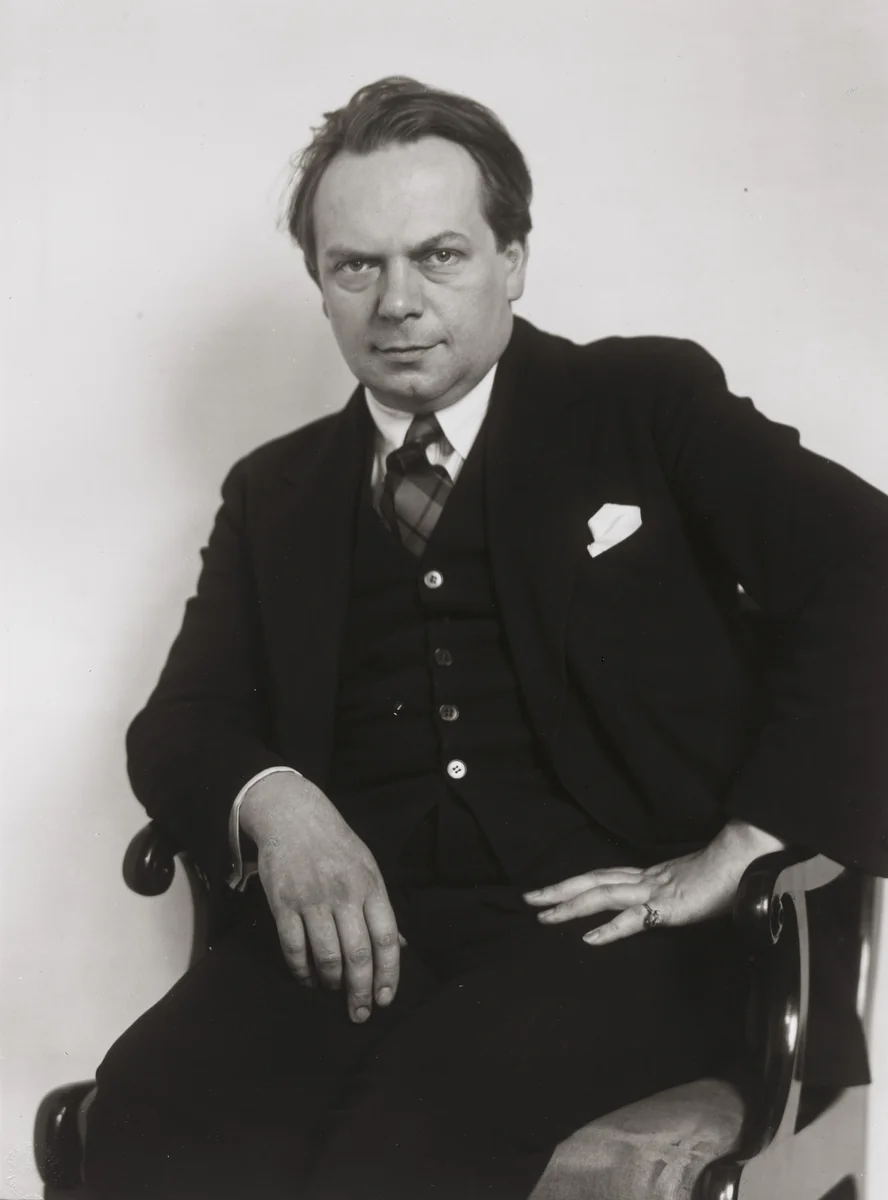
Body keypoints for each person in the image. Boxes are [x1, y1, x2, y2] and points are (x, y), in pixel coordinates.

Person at [84, 76, 888, 1199]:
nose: (396, 301)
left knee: (405, 1148)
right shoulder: (277, 492)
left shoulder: (642, 403)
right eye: (356, 264)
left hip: (618, 944)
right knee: (142, 1117)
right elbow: (184, 721)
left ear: (512, 258)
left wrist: (750, 841)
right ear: (318, 282)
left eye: (440, 255)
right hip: (363, 947)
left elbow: (870, 566)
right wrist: (278, 800)